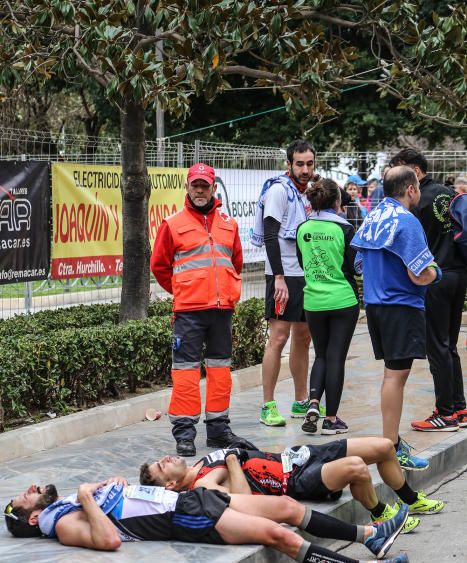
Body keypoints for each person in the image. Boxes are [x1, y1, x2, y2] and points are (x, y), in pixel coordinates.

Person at [4, 480, 411, 563]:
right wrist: (86, 496)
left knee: (287, 508)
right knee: (280, 534)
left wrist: (109, 487)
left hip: (191, 500)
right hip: (187, 519)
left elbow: (121, 508)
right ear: (33, 519)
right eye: (25, 498)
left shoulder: (66, 507)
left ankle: (368, 536)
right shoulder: (62, 525)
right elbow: (109, 539)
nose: (31, 491)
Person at [140, 436, 444, 530]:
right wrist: (233, 460)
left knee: (383, 447)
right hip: (297, 480)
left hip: (299, 456)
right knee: (356, 468)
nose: (165, 458)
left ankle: (411, 498)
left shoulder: (199, 466)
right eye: (161, 466)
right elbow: (244, 502)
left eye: (161, 459)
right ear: (169, 486)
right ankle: (381, 515)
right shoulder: (203, 488)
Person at [351, 166, 442, 469]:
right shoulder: (407, 221)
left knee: (392, 374)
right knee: (395, 376)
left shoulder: (374, 216)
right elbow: (419, 274)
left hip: (376, 304)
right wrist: (436, 274)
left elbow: (359, 264)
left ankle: (391, 442)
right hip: (400, 306)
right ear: (411, 189)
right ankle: (390, 445)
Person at [151, 163, 244, 457]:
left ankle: (218, 429)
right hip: (189, 313)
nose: (200, 190)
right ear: (188, 188)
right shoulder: (172, 224)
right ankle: (185, 433)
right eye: (196, 185)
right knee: (186, 374)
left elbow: (236, 263)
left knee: (220, 372)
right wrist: (184, 289)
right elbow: (159, 267)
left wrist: (223, 290)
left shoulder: (230, 224)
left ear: (213, 188)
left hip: (221, 311)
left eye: (205, 185)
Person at [391, 149, 467, 432]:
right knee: (450, 345)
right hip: (459, 275)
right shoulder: (447, 193)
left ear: (414, 171)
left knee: (437, 346)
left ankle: (445, 413)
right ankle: (459, 407)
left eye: (399, 171)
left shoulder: (418, 200)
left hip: (437, 277)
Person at [255, 139, 315, 427]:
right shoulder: (280, 191)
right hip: (282, 276)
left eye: (309, 163)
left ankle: (301, 400)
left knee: (303, 338)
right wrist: (278, 276)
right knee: (278, 339)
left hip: (305, 275)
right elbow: (270, 235)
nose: (305, 169)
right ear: (289, 164)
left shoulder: (309, 193)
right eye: (299, 163)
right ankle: (268, 405)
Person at [296, 178, 360, 436]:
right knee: (336, 358)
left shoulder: (302, 228)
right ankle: (331, 419)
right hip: (343, 300)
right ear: (337, 202)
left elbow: (302, 264)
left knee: (320, 355)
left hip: (313, 301)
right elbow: (355, 267)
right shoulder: (345, 230)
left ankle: (313, 404)